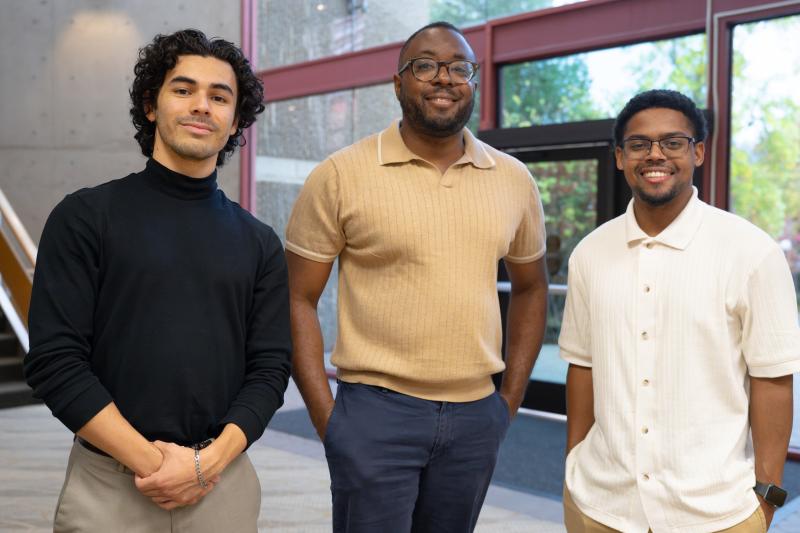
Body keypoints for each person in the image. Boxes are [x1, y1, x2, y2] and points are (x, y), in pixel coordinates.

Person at [285, 21, 548, 533]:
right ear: (399, 82)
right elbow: (296, 298)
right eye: (425, 65)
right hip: (375, 412)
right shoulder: (341, 174)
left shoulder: (514, 180)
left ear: (474, 81)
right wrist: (329, 419)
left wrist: (506, 404)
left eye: (459, 67)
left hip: (476, 413)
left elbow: (532, 287)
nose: (443, 78)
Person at [24, 29, 291, 532]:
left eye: (219, 97)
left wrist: (204, 465)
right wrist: (157, 465)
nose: (201, 106)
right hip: (109, 484)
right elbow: (56, 361)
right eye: (183, 89)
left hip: (222, 484)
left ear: (236, 122)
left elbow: (271, 369)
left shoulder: (259, 242)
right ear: (151, 105)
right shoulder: (85, 217)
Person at [560, 89, 800, 532]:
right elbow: (583, 364)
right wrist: (574, 463)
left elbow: (772, 380)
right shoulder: (590, 254)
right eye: (639, 144)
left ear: (699, 152)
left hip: (716, 513)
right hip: (599, 506)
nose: (656, 155)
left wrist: (767, 497)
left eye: (673, 142)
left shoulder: (752, 253)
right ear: (620, 157)